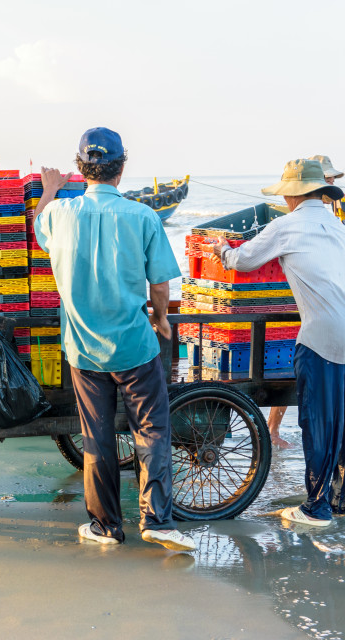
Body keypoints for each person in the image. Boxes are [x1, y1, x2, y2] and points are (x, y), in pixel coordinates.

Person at [33, 127, 196, 551]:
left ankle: (106, 527)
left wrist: (50, 189)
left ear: (80, 168)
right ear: (121, 170)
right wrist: (160, 319)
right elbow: (159, 285)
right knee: (153, 432)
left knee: (98, 435)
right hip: (135, 347)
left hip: (84, 350)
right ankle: (158, 521)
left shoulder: (59, 214)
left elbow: (39, 226)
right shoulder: (142, 216)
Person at [207, 159, 345, 527]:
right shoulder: (337, 226)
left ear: (290, 194)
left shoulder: (286, 225)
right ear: (322, 191)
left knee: (318, 421)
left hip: (323, 335)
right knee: (342, 421)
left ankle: (315, 509)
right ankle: (339, 499)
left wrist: (222, 247)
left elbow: (243, 260)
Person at [266, 155, 344, 449]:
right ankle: (273, 431)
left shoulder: (334, 216)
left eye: (333, 180)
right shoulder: (301, 219)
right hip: (312, 306)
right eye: (327, 180)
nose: (331, 184)